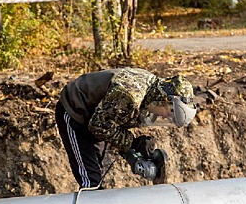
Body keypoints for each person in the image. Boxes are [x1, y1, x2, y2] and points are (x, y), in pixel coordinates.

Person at [55, 67, 197, 189]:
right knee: (91, 181)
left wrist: (132, 151)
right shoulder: (129, 95)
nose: (166, 117)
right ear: (163, 99)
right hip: (75, 112)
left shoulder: (149, 93)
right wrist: (133, 143)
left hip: (98, 115)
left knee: (96, 168)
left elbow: (112, 120)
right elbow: (98, 126)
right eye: (169, 112)